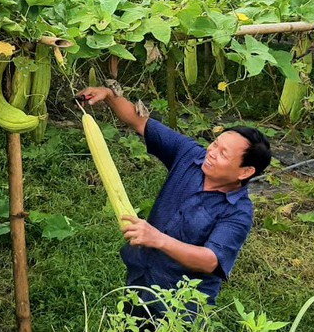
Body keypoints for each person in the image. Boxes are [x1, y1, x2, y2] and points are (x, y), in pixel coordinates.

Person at [76, 84, 271, 319]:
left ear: (245, 171)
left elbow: (210, 261)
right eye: (215, 144)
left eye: (222, 154)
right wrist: (108, 96)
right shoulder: (189, 154)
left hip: (180, 305)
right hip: (141, 279)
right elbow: (141, 123)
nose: (211, 151)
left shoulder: (238, 212)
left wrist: (157, 239)